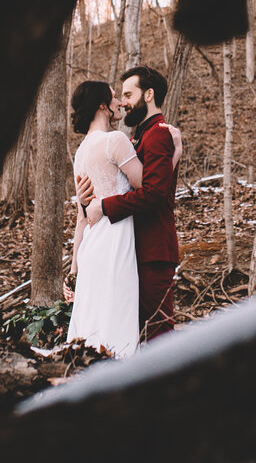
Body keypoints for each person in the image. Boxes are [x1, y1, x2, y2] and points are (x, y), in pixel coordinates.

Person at [65, 80, 180, 357]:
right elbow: (150, 187)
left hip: (92, 245)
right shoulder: (115, 141)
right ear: (103, 106)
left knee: (95, 319)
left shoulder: (80, 153)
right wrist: (174, 154)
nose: (120, 103)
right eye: (116, 97)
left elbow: (82, 216)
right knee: (117, 318)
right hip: (115, 242)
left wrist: (73, 267)